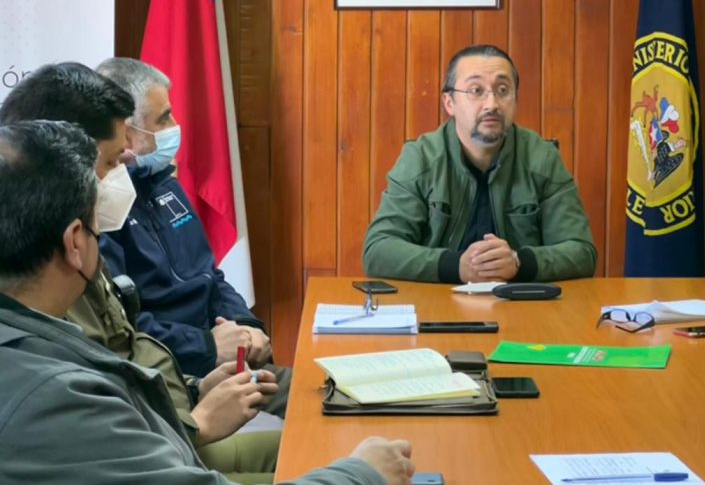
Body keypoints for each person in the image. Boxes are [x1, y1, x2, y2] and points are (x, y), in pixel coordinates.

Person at [0, 120, 415, 484]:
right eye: (96, 230)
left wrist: (194, 391)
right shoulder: (51, 396)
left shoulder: (33, 343)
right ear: (75, 242)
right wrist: (364, 476)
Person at [0, 62, 281, 482]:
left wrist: (191, 390)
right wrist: (196, 419)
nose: (129, 160)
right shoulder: (53, 273)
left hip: (165, 424)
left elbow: (127, 350)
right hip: (155, 442)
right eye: (114, 157)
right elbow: (102, 423)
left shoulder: (67, 259)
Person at [95, 58, 290, 412]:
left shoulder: (164, 186)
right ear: (126, 133)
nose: (175, 127)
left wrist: (246, 327)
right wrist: (208, 347)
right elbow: (123, 326)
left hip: (227, 362)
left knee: (322, 395)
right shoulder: (104, 211)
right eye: (164, 118)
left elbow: (210, 277)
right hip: (173, 377)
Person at [363, 44, 597, 283]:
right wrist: (456, 266)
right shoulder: (420, 158)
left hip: (520, 305)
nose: (492, 104)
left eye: (503, 90)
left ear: (515, 100)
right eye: (476, 90)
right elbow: (378, 251)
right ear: (449, 103)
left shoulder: (542, 159)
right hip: (439, 304)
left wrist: (518, 261)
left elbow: (582, 252)